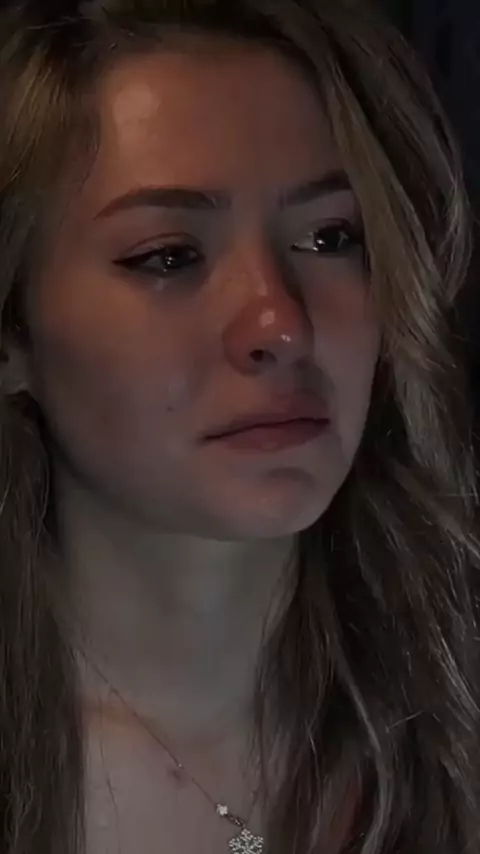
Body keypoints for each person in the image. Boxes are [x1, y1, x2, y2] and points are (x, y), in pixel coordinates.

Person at [1, 0, 479, 852]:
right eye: (169, 256)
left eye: (330, 238)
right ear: (13, 331)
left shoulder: (452, 709)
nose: (279, 324)